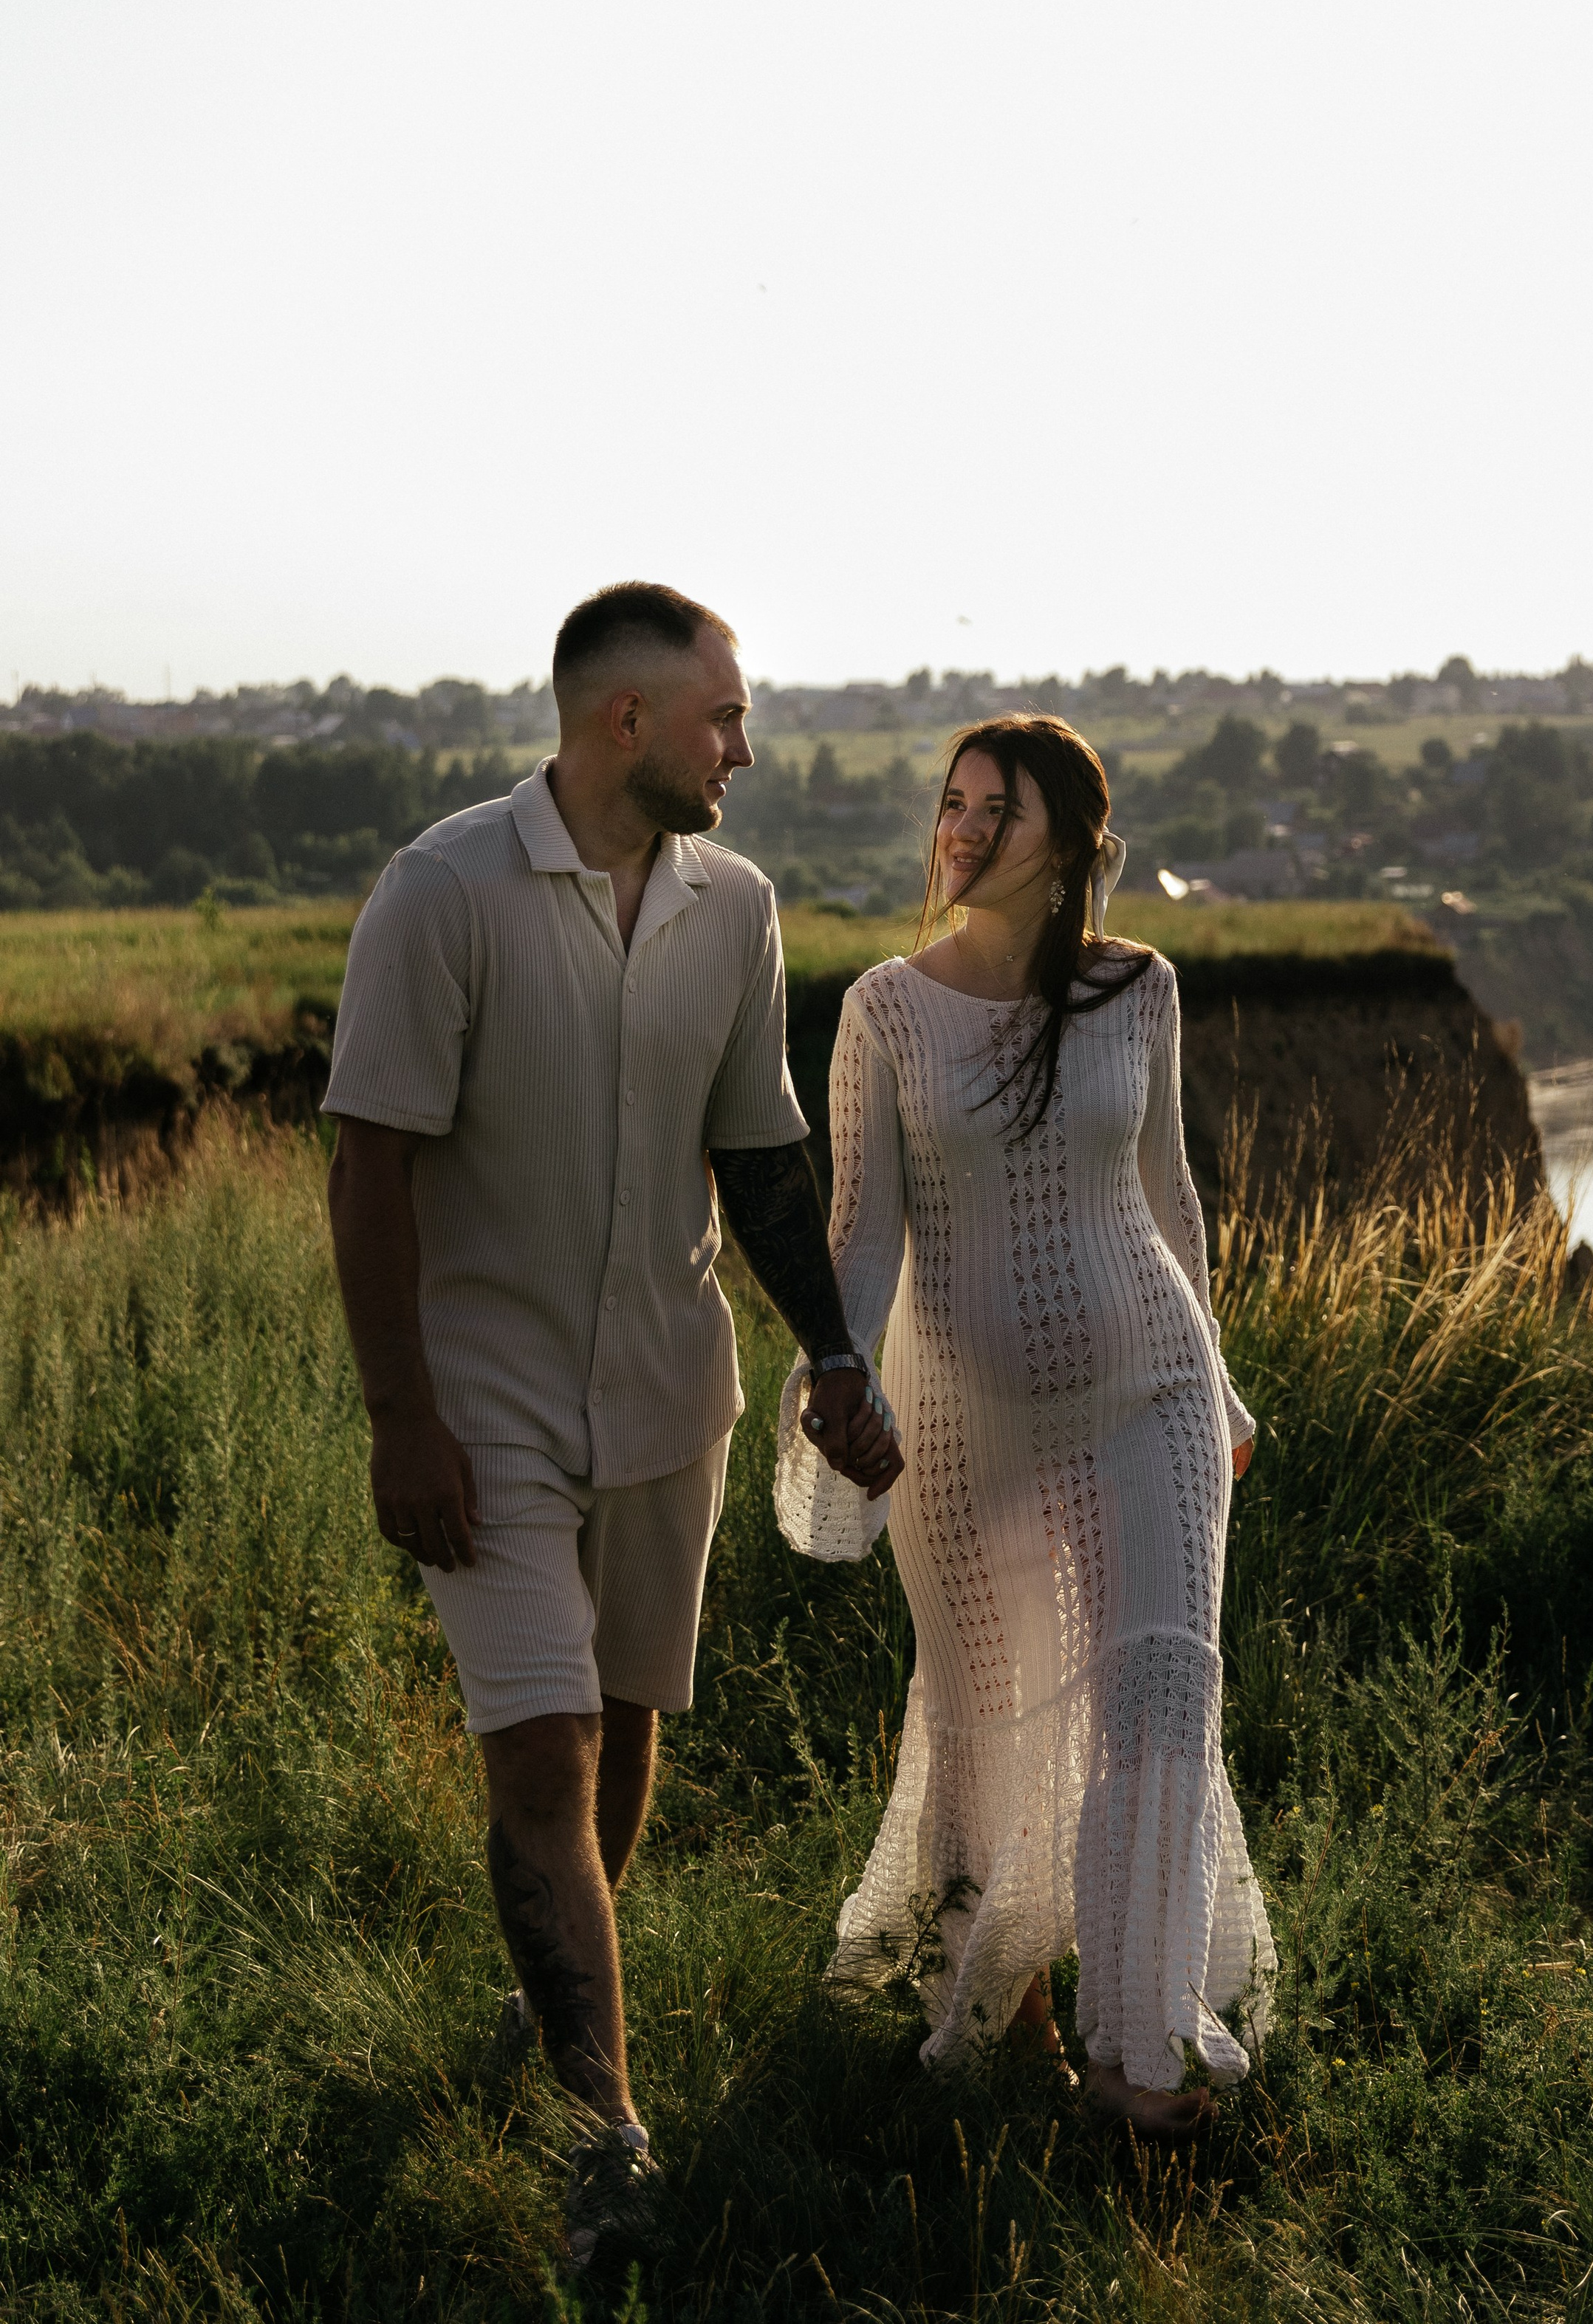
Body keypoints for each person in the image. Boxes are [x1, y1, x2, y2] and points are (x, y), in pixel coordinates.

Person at [322, 580, 899, 2271]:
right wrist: (398, 1417)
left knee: (630, 1722)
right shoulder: (442, 893)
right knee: (545, 1743)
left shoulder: (736, 904)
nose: (744, 747)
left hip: (671, 1389)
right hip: (482, 1403)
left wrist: (837, 1361)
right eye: (722, 718)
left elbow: (761, 1156)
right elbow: (370, 1168)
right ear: (623, 723)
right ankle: (603, 2138)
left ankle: (548, 2015)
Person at [775, 716, 1275, 2139]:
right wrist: (836, 1377)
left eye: (1002, 808)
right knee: (989, 1719)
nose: (966, 829)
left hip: (1154, 1399)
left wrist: (1223, 1386)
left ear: (1072, 844)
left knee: (1156, 1699)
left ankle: (1138, 2052)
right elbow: (861, 1239)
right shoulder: (884, 1012)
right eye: (954, 804)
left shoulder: (1142, 990)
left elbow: (1167, 1202)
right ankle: (1017, 2012)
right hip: (967, 1427)